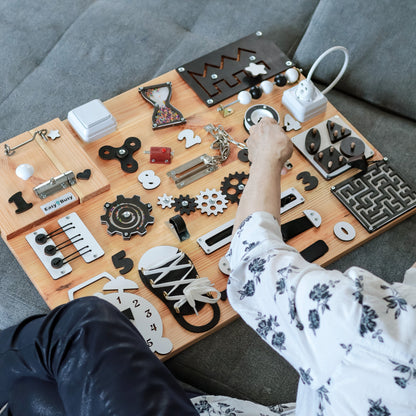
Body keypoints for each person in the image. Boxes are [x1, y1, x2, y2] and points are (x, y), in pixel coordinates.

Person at [1, 118, 415, 415]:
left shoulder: (374, 327)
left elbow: (252, 257)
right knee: (34, 392)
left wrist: (268, 158)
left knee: (82, 324)